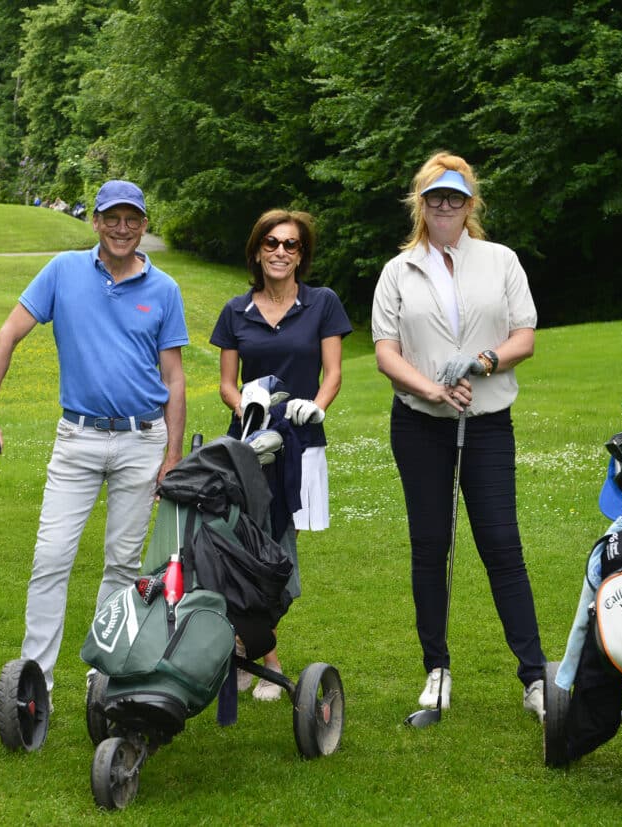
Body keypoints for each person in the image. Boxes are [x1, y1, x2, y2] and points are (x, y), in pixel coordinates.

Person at [0, 179, 188, 719]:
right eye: (112, 218)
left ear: (144, 225)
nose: (122, 228)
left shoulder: (164, 289)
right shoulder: (62, 271)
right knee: (50, 559)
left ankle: (103, 681)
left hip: (142, 441)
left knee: (122, 565)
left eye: (132, 219)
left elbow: (174, 378)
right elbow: (7, 335)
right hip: (78, 439)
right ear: (95, 221)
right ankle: (34, 686)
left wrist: (172, 456)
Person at [370, 152, 547, 719]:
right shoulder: (399, 271)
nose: (445, 206)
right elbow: (386, 352)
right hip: (419, 425)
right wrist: (433, 389)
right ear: (420, 204)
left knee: (501, 545)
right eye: (435, 197)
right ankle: (437, 671)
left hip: (487, 423)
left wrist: (483, 361)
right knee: (430, 547)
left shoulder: (500, 261)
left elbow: (524, 336)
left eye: (455, 197)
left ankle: (535, 678)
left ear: (470, 204)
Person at [209, 208, 352, 701]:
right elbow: (227, 383)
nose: (280, 252)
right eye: (271, 243)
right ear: (256, 251)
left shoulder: (322, 303)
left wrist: (317, 406)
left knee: (277, 550)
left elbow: (333, 373)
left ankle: (252, 649)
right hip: (247, 446)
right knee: (245, 546)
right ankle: (261, 656)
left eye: (291, 244)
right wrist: (244, 404)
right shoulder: (236, 311)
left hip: (298, 444)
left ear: (301, 254)